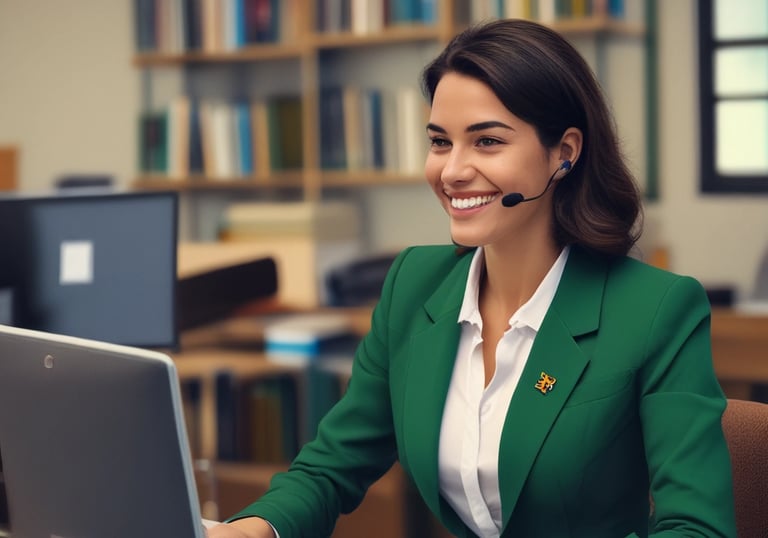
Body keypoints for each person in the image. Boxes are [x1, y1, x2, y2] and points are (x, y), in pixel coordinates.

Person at [208, 18, 736, 538]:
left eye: (487, 142)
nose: (453, 171)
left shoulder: (657, 310)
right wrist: (253, 530)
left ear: (565, 153)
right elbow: (330, 467)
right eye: (441, 142)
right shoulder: (412, 284)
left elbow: (697, 528)